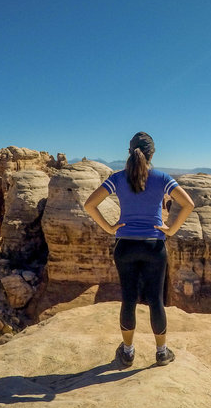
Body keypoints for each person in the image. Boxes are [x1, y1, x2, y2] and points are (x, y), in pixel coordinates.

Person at [83, 132, 195, 367]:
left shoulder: (118, 177)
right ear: (153, 153)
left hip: (125, 246)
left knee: (129, 299)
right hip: (154, 245)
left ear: (129, 151)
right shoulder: (162, 178)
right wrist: (171, 229)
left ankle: (128, 351)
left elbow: (89, 204)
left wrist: (111, 227)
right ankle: (162, 353)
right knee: (155, 300)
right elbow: (188, 204)